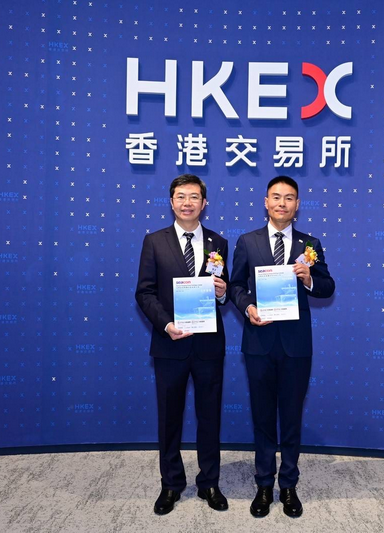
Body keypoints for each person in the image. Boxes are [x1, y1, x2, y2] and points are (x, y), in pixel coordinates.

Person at [229, 176, 335, 518]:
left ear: (297, 205)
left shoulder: (310, 244)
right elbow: (235, 285)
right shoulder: (248, 241)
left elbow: (328, 286)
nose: (282, 203)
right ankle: (263, 484)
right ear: (266, 202)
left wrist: (309, 279)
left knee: (290, 417)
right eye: (276, 197)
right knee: (262, 417)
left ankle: (288, 484)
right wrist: (248, 307)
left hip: (296, 345)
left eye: (289, 198)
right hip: (259, 342)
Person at [135, 174, 230, 515]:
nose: (187, 202)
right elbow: (144, 292)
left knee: (210, 417)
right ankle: (171, 484)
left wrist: (223, 293)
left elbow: (223, 290)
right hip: (170, 344)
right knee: (169, 418)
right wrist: (166, 325)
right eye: (181, 196)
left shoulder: (219, 242)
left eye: (194, 197)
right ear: (171, 202)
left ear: (204, 203)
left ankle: (209, 482)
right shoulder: (154, 241)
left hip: (208, 346)